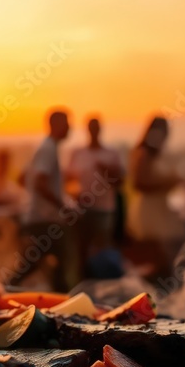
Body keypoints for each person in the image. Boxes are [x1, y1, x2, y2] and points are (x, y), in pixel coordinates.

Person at [9, 109, 71, 291]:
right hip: (43, 221)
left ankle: (5, 289)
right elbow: (40, 183)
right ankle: (5, 290)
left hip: (38, 218)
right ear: (55, 125)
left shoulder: (45, 147)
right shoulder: (48, 149)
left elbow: (23, 178)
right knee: (50, 267)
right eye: (66, 123)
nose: (70, 127)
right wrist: (62, 206)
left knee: (35, 265)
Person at [126, 116, 185, 274]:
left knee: (168, 255)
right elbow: (138, 184)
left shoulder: (160, 154)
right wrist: (166, 184)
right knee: (158, 258)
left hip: (162, 207)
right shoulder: (144, 153)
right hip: (150, 210)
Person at [67, 116, 122, 275]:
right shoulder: (78, 153)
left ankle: (101, 281)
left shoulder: (111, 153)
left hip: (104, 210)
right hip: (82, 210)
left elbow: (120, 182)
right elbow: (68, 180)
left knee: (101, 250)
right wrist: (76, 196)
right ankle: (84, 281)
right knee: (81, 251)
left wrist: (105, 170)